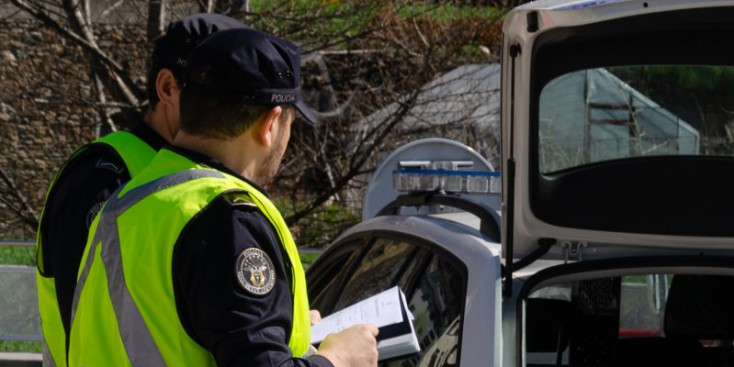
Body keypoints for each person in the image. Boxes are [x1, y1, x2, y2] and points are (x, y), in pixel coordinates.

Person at [67, 28, 379, 367]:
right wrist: (339, 359)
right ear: (270, 123)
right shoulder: (226, 219)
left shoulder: (127, 203)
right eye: (291, 124)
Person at [35, 13, 247, 367]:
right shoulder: (103, 179)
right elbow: (101, 330)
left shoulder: (203, 179)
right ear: (167, 89)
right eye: (226, 97)